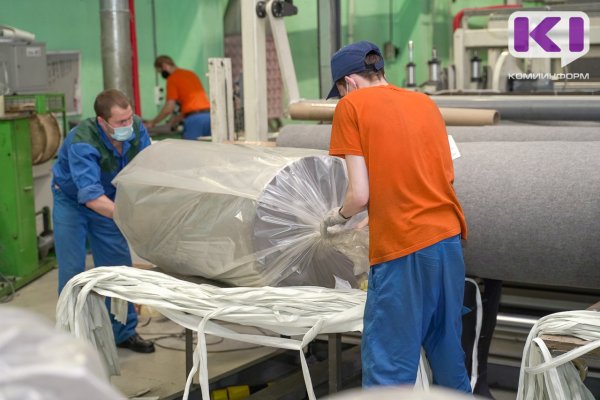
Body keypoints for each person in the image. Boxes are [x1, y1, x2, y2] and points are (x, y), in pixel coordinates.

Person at [321, 41, 471, 393]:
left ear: (348, 82)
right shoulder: (425, 103)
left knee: (389, 372)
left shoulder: (351, 106)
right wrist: (379, 214)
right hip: (447, 242)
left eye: (340, 91)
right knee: (448, 355)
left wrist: (337, 216)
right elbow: (434, 177)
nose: (341, 97)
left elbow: (359, 194)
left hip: (403, 249)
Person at [52, 89, 154, 353]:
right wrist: (129, 217)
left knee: (118, 268)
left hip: (108, 200)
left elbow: (148, 169)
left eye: (129, 118)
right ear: (102, 121)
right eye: (121, 122)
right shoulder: (82, 141)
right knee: (73, 272)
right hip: (73, 202)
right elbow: (91, 197)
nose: (128, 125)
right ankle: (72, 340)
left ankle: (124, 333)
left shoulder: (136, 129)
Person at [145, 55, 211, 140]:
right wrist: (180, 117)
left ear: (164, 66)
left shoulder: (172, 78)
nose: (161, 75)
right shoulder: (190, 74)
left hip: (195, 121)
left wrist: (153, 122)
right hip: (209, 116)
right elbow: (193, 101)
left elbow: (169, 108)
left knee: (190, 147)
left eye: (160, 71)